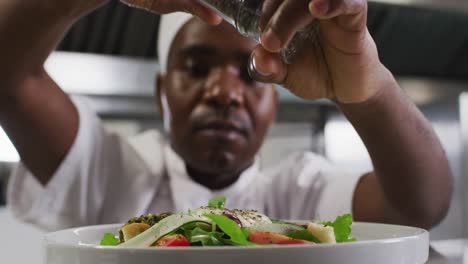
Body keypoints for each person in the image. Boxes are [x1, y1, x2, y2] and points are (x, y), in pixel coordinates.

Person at [0, 0, 451, 231]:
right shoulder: (108, 175)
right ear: (161, 92)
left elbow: (420, 206)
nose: (224, 93)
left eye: (251, 75)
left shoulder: (298, 196)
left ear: (275, 98)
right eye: (196, 67)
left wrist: (367, 90)